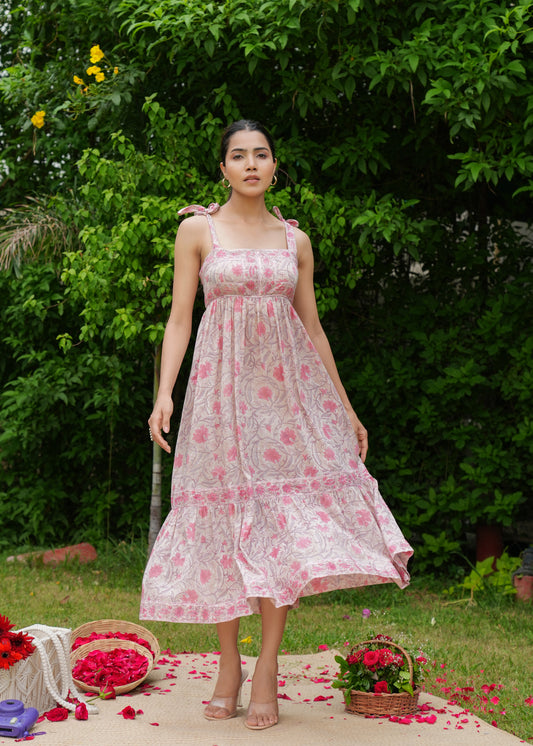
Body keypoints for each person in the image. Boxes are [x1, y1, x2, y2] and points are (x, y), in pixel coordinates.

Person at [140, 120, 413, 730]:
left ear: (273, 165)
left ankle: (267, 666)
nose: (251, 164)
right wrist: (164, 393)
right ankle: (228, 663)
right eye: (239, 156)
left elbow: (313, 330)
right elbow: (180, 319)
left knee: (277, 531)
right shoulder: (197, 231)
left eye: (261, 155)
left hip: (285, 405)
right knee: (221, 527)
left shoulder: (296, 241)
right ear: (223, 169)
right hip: (218, 401)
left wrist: (345, 408)